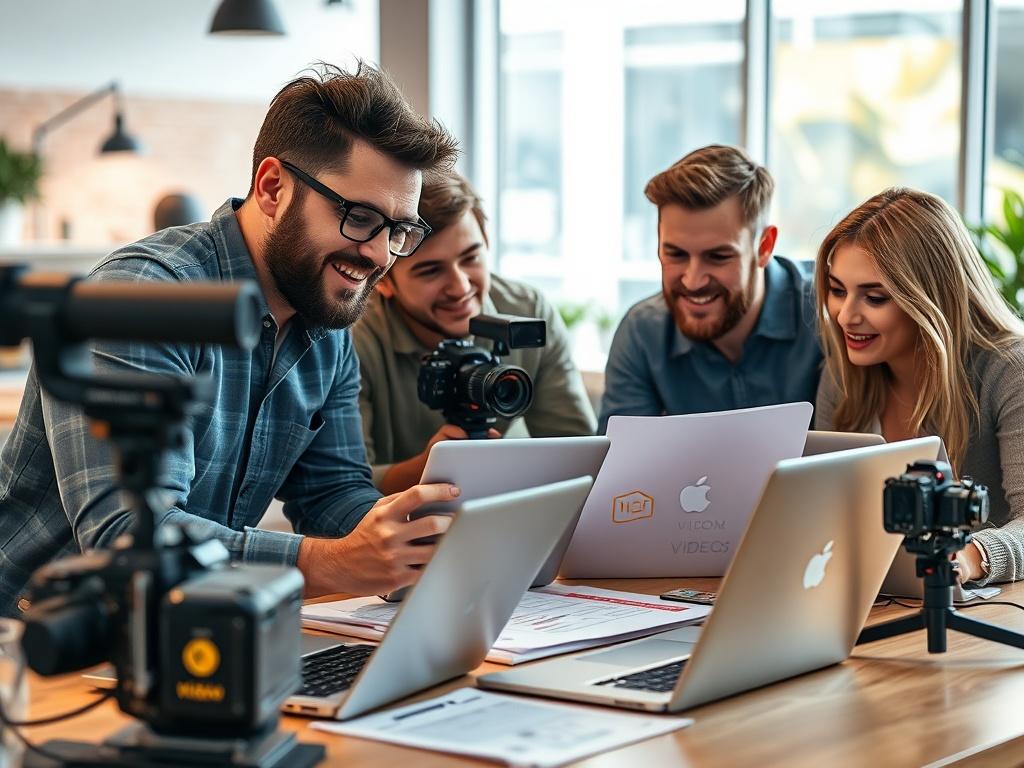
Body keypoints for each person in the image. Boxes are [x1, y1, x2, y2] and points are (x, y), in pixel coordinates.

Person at [0, 63, 462, 616]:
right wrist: (331, 563)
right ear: (273, 188)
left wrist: (415, 546)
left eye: (399, 230)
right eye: (360, 217)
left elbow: (332, 495)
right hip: (38, 642)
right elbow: (127, 536)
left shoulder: (324, 318)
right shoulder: (145, 296)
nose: (379, 254)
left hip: (191, 629)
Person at [815, 187, 1024, 586]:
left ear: (930, 297)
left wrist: (971, 557)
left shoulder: (1011, 369)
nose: (845, 316)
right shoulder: (843, 372)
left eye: (874, 297)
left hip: (987, 610)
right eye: (838, 290)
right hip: (875, 598)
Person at [352, 171, 595, 494]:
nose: (461, 287)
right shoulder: (351, 338)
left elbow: (580, 457)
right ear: (382, 280)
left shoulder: (528, 311)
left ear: (488, 243)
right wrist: (434, 466)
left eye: (472, 258)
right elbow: (342, 489)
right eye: (430, 270)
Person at [598, 145, 822, 433]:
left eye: (718, 257)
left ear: (764, 247)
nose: (693, 281)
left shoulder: (827, 311)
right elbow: (622, 469)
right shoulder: (642, 334)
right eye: (676, 254)